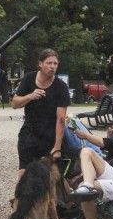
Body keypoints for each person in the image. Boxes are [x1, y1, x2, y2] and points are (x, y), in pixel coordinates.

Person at [11, 49, 70, 178]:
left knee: (50, 177)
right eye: (49, 63)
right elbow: (15, 103)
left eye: (55, 63)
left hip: (49, 138)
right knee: (24, 174)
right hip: (29, 135)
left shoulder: (61, 87)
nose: (52, 66)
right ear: (40, 64)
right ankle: (21, 198)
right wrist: (30, 96)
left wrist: (57, 147)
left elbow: (61, 119)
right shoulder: (29, 79)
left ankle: (50, 198)